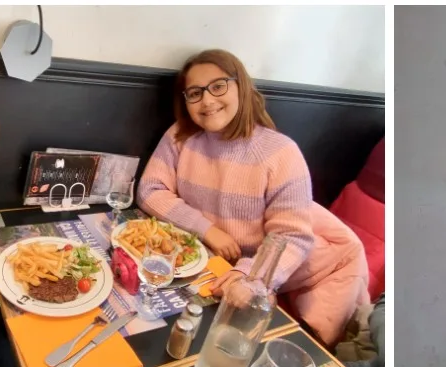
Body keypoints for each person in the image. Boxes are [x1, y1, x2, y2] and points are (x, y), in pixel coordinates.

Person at [137, 49, 369, 345]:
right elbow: (149, 190)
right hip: (212, 257)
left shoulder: (280, 152)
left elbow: (292, 239)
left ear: (241, 86)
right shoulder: (180, 135)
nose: (207, 100)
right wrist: (208, 230)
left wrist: (250, 276)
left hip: (300, 266)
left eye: (218, 86)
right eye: (194, 93)